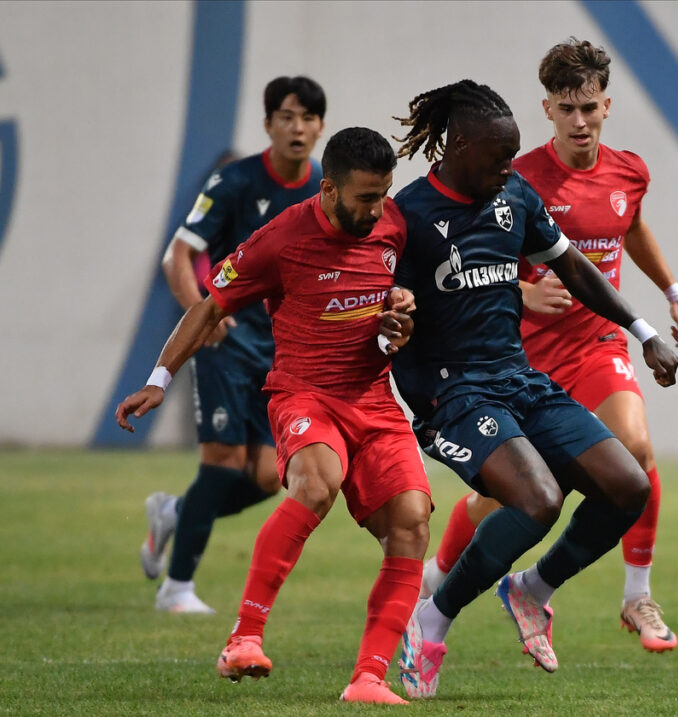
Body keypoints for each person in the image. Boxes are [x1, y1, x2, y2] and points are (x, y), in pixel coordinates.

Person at [116, 127, 431, 705]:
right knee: (317, 483)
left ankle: (369, 679)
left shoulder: (392, 225)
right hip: (305, 394)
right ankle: (243, 638)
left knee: (411, 524)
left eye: (384, 195)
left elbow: (389, 297)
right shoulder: (281, 238)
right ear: (330, 190)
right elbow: (211, 304)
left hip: (375, 400)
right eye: (365, 198)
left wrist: (397, 315)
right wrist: (158, 380)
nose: (378, 209)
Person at [386, 79, 678, 699]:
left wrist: (644, 329)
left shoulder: (512, 193)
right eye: (497, 156)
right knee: (538, 501)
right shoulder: (407, 216)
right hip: (452, 395)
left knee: (628, 484)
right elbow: (380, 309)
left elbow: (574, 267)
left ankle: (532, 589)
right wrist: (392, 324)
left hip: (518, 378)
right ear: (459, 145)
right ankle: (429, 621)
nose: (507, 168)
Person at [139, 76, 326, 614]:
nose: (297, 127)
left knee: (270, 477)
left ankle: (175, 512)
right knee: (222, 461)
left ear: (320, 127)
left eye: (308, 118)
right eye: (287, 117)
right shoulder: (233, 181)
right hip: (226, 339)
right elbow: (178, 254)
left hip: (282, 351)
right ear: (268, 124)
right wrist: (201, 312)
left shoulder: (323, 187)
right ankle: (176, 589)